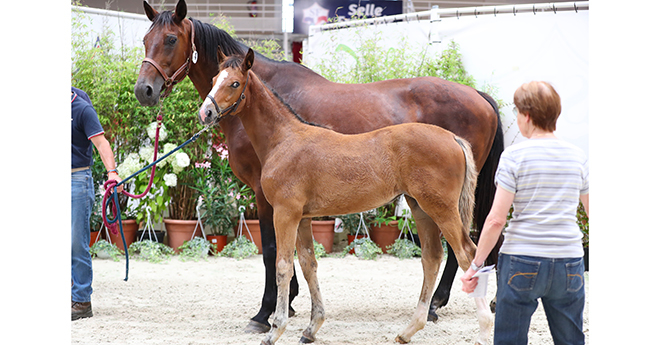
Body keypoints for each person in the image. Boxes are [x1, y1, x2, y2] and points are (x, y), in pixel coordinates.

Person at [460, 81, 589, 345]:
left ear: (527, 116)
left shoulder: (514, 157)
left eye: (518, 113)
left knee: (510, 339)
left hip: (522, 259)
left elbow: (496, 219)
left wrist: (475, 265)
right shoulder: (578, 157)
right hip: (569, 261)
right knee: (571, 340)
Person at [71, 86, 122, 320]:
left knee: (76, 243)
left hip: (76, 179)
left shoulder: (81, 109)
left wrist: (112, 172)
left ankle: (81, 301)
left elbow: (102, 144)